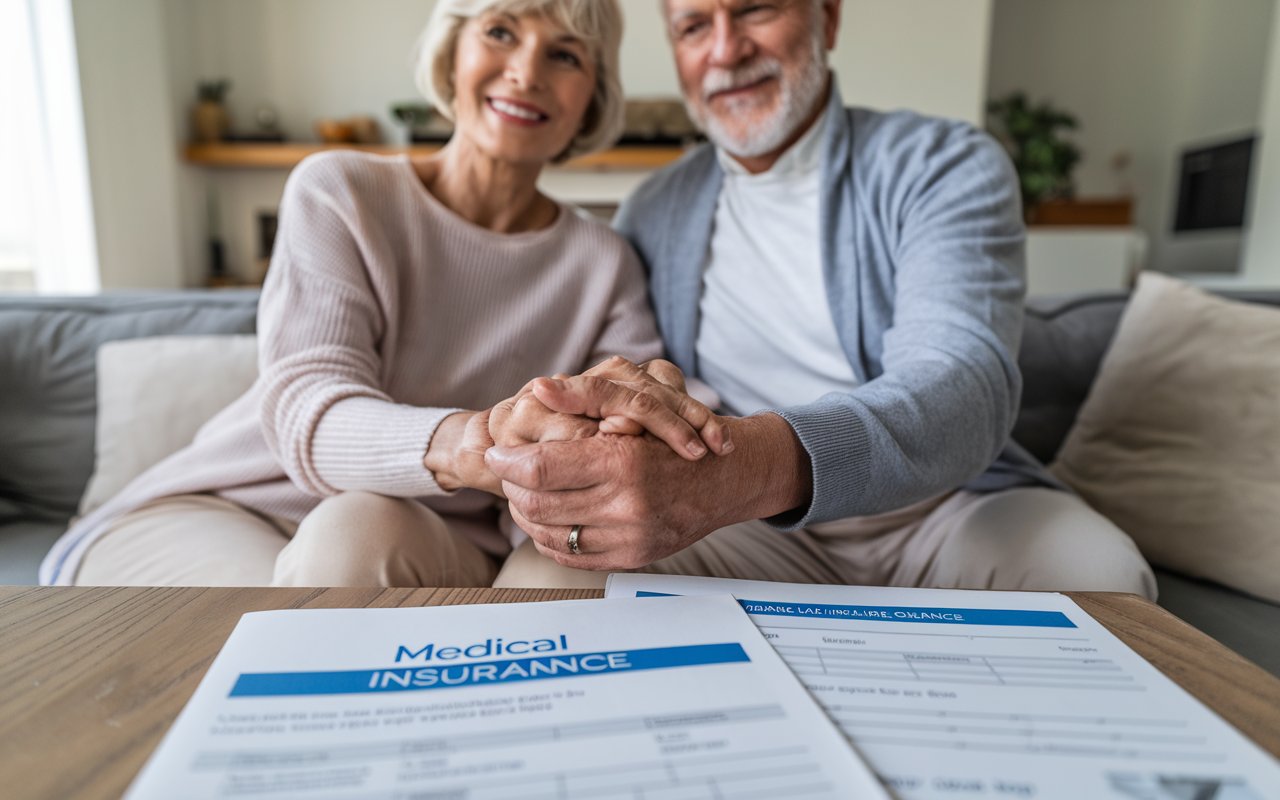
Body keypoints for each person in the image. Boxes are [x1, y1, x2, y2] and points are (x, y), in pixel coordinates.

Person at [39, 0, 728, 588]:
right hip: (240, 505)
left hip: (434, 534)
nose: (526, 71)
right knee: (330, 558)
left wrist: (650, 411)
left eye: (566, 56)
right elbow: (308, 405)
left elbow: (631, 418)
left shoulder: (603, 262)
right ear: (452, 54)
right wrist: (481, 440)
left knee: (446, 548)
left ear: (592, 99)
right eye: (499, 32)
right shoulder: (342, 191)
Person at [487, 0, 1157, 599]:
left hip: (945, 508)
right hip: (751, 529)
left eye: (754, 11)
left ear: (827, 17)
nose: (725, 50)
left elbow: (966, 383)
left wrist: (744, 470)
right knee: (543, 580)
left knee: (1103, 580)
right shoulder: (654, 210)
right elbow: (642, 384)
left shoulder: (943, 164)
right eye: (694, 26)